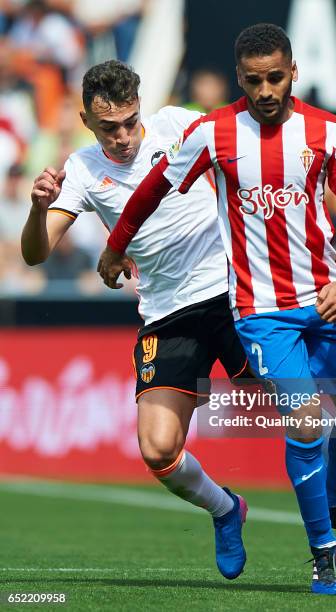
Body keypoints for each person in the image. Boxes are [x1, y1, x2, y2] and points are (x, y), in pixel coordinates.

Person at [98, 25, 336, 595]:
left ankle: (334, 503)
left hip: (330, 301)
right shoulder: (215, 133)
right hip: (262, 311)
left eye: (276, 77)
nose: (266, 90)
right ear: (240, 79)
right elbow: (152, 188)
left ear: (293, 72)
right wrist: (115, 245)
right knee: (305, 423)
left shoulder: (327, 131)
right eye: (254, 81)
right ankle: (324, 551)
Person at [21, 60, 250, 581]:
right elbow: (35, 254)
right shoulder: (79, 170)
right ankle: (226, 509)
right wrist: (38, 209)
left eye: (130, 121)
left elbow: (243, 159)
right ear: (85, 120)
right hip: (167, 314)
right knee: (159, 450)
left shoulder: (179, 124)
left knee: (289, 401)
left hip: (231, 294)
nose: (123, 136)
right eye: (109, 127)